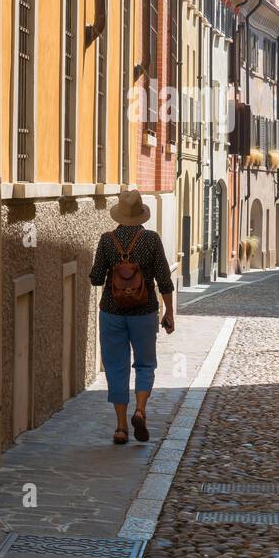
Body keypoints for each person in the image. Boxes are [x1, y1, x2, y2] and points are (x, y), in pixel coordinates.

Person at [89, 189, 175, 445]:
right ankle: (140, 410)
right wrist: (169, 312)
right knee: (145, 364)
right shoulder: (151, 239)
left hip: (112, 312)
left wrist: (112, 272)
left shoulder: (107, 240)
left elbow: (95, 278)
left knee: (116, 367)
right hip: (145, 312)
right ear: (140, 215)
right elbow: (164, 279)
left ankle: (121, 427)